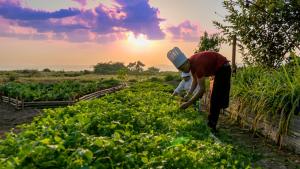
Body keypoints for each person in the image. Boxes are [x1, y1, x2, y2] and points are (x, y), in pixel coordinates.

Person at [167, 47, 231, 133]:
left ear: (186, 62)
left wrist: (188, 103)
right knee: (214, 96)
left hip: (223, 68)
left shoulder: (197, 64)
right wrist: (188, 94)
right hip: (217, 70)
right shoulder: (192, 64)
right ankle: (212, 124)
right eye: (181, 70)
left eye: (183, 68)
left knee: (215, 98)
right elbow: (195, 81)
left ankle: (211, 126)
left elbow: (202, 89)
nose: (184, 71)